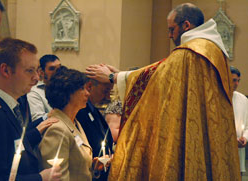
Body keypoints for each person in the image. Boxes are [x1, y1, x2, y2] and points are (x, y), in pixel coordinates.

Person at [86, 3, 241, 180]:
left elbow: (159, 75)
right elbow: (162, 73)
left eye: (171, 29)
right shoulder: (212, 50)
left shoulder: (191, 53)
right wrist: (122, 75)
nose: (169, 35)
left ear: (186, 25)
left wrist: (115, 77)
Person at [0, 38, 61, 180]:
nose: (37, 77)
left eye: (36, 70)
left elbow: (11, 145)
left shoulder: (13, 105)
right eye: (29, 71)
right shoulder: (0, 113)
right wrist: (40, 178)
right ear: (6, 70)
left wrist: (36, 133)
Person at [39, 66, 105, 180]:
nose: (87, 93)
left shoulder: (74, 122)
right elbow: (58, 177)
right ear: (68, 93)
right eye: (82, 89)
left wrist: (93, 168)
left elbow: (77, 168)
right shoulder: (57, 130)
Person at [76, 78, 114, 181]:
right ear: (89, 86)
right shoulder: (80, 111)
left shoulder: (93, 109)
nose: (108, 96)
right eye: (105, 91)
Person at [27, 54, 61, 121]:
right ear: (41, 73)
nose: (58, 72)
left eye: (59, 68)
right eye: (52, 69)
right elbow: (38, 119)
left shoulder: (65, 87)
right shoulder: (34, 92)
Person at [230, 66, 248, 175]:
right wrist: (232, 139)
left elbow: (247, 126)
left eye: (238, 81)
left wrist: (245, 138)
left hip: (239, 151)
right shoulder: (216, 98)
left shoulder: (244, 100)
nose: (236, 84)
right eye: (233, 80)